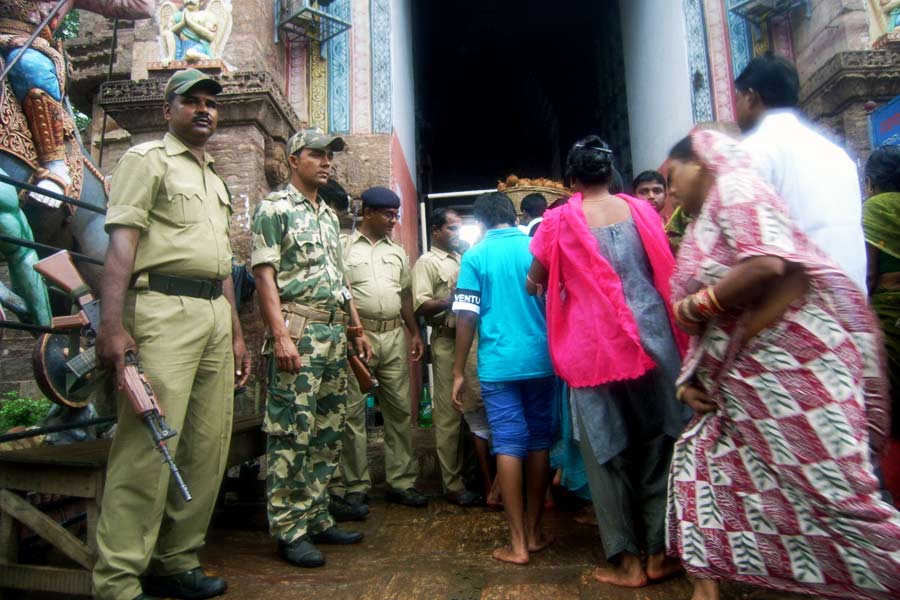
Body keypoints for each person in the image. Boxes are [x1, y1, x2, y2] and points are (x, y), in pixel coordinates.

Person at [666, 129, 900, 600]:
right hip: (745, 383)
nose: (668, 191)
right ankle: (705, 589)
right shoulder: (707, 219)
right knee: (698, 466)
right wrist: (692, 375)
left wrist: (692, 308)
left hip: (792, 377)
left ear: (703, 160)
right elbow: (729, 316)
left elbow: (767, 266)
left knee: (839, 502)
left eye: (672, 177)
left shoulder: (737, 188)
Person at [93, 69, 251, 600]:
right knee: (148, 445)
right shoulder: (146, 160)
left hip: (212, 314)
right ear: (168, 110)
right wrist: (113, 327)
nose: (204, 110)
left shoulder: (215, 176)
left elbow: (224, 263)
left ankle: (176, 559)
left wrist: (235, 333)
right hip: (162, 309)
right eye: (192, 102)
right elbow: (121, 247)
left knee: (206, 447)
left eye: (211, 103)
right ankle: (117, 581)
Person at [527, 136, 690, 587]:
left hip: (594, 348)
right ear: (612, 175)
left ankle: (627, 563)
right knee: (660, 443)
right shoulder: (642, 211)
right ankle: (658, 553)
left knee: (606, 450)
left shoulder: (557, 221)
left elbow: (534, 281)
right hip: (655, 340)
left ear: (573, 181)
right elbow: (662, 263)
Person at [251, 127, 373, 568]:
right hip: (298, 331)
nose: (326, 163)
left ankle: (318, 515)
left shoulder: (326, 215)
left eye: (329, 157)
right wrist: (280, 334)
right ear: (293, 159)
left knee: (326, 430)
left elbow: (341, 282)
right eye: (317, 155)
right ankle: (288, 528)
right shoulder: (274, 208)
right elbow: (264, 275)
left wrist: (356, 329)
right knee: (291, 432)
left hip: (334, 334)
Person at [451, 192, 555, 565]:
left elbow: (466, 317)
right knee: (539, 439)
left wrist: (459, 370)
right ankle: (534, 531)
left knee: (508, 443)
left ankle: (517, 545)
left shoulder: (475, 256)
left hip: (498, 363)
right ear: (514, 215)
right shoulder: (537, 246)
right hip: (542, 360)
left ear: (479, 222)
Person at [329, 187, 428, 508]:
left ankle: (401, 482)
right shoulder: (343, 248)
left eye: (396, 215)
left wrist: (414, 333)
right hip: (359, 337)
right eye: (388, 215)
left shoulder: (397, 251)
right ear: (368, 212)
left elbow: (405, 297)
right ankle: (356, 484)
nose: (393, 221)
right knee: (353, 413)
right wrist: (348, 333)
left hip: (394, 337)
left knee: (399, 410)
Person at [735, 52, 867, 290]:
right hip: (852, 300)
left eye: (738, 99)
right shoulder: (837, 154)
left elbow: (758, 256)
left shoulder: (754, 150)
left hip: (803, 308)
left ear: (751, 97)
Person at [411, 208, 482, 506]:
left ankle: (473, 476)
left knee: (474, 411)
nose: (456, 234)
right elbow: (420, 305)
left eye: (458, 228)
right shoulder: (426, 263)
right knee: (449, 415)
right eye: (450, 229)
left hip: (473, 342)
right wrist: (449, 300)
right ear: (436, 231)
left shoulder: (464, 257)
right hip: (446, 340)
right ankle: (451, 484)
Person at [862, 145, 900, 507]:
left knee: (894, 406)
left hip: (891, 315)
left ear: (871, 183)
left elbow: (870, 274)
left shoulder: (874, 208)